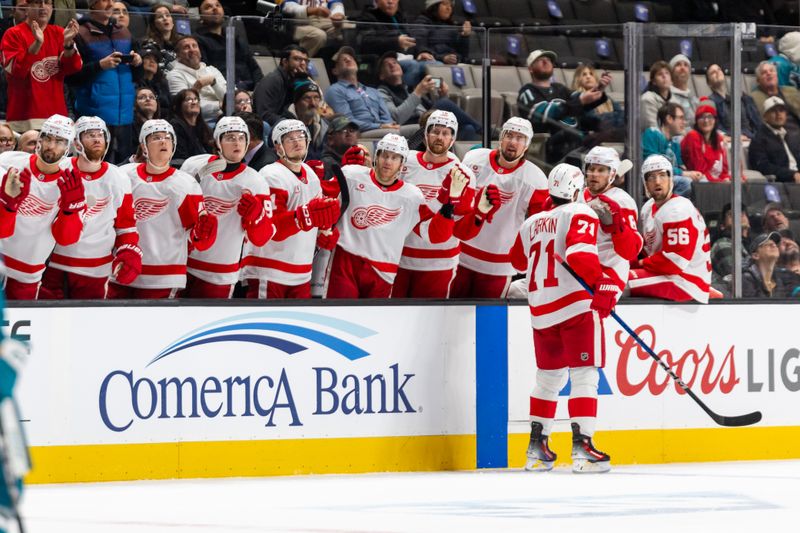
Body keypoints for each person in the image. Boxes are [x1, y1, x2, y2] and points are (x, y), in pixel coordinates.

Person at [509, 163, 616, 474]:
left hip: (541, 311)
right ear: (574, 189)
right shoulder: (580, 212)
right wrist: (602, 283)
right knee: (584, 376)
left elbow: (517, 260)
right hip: (574, 308)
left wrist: (546, 225)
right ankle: (583, 448)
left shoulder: (532, 222)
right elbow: (580, 257)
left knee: (548, 379)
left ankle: (536, 450)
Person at [323, 133, 462, 298]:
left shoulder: (412, 197)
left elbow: (432, 234)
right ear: (377, 156)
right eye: (384, 155)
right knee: (340, 316)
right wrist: (323, 230)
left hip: (383, 272)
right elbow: (322, 200)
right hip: (345, 263)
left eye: (395, 158)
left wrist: (448, 208)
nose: (388, 161)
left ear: (402, 164)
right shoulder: (351, 175)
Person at [109, 119, 217, 299]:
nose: (163, 141)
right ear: (144, 146)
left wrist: (204, 233)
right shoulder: (125, 176)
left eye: (168, 138)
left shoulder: (185, 184)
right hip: (121, 270)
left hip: (164, 276)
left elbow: (196, 237)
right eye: (156, 137)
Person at [39, 116, 142, 299]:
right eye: (89, 135)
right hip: (54, 266)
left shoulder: (118, 177)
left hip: (96, 272)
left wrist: (128, 252)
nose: (96, 139)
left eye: (100, 135)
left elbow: (126, 227)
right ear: (77, 142)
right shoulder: (59, 168)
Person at [450, 117, 548, 298]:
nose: (513, 142)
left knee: (488, 321)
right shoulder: (474, 159)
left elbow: (537, 228)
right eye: (509, 135)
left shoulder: (536, 179)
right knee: (450, 315)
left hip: (499, 266)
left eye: (520, 138)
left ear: (526, 146)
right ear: (501, 138)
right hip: (460, 255)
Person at [241, 119, 340, 299]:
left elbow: (316, 217)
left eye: (301, 136)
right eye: (289, 138)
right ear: (278, 147)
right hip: (268, 270)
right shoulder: (271, 175)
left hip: (301, 273)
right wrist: (306, 216)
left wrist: (325, 233)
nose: (297, 141)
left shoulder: (310, 175)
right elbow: (272, 229)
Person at [180, 116, 275, 298]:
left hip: (220, 273)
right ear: (218, 142)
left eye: (241, 137)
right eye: (230, 137)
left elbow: (263, 238)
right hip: (183, 264)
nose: (237, 142)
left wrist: (257, 216)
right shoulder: (194, 166)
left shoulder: (255, 181)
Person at [0, 115, 85, 300]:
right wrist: (7, 203)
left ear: (69, 147)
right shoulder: (7, 163)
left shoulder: (71, 183)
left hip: (28, 273)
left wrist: (70, 211)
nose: (51, 146)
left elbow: (66, 239)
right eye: (47, 138)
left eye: (59, 141)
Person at [393, 110, 476, 298]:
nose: (440, 137)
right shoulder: (406, 162)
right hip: (399, 257)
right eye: (435, 131)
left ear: (453, 138)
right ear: (425, 134)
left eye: (446, 133)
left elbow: (460, 225)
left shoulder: (463, 174)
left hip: (439, 264)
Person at [628, 155, 712, 303]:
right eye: (651, 177)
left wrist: (639, 264)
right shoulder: (648, 208)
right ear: (645, 183)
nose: (657, 181)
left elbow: (674, 262)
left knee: (616, 282)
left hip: (686, 281)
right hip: (666, 275)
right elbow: (646, 249)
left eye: (662, 175)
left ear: (671, 179)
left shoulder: (678, 210)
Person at [69, 0, 141, 164]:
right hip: (94, 114)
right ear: (92, 5)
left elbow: (139, 76)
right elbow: (71, 76)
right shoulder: (79, 33)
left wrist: (137, 62)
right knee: (93, 164)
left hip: (125, 115)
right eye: (104, 0)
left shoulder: (125, 32)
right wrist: (100, 65)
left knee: (124, 167)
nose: (110, 4)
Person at [0, 0, 82, 132]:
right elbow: (16, 71)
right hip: (23, 120)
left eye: (48, 3)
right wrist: (37, 44)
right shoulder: (13, 34)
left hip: (57, 119)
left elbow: (74, 67)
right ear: (27, 7)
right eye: (37, 2)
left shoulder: (59, 33)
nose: (43, 7)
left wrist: (68, 44)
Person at [518, 50, 612, 163]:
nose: (545, 61)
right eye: (539, 60)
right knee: (572, 135)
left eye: (549, 60)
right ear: (530, 69)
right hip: (550, 143)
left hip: (575, 138)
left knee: (610, 126)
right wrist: (579, 101)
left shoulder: (560, 88)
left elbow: (581, 99)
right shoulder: (527, 91)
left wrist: (598, 88)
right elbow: (544, 114)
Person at [376, 51, 481, 140]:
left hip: (430, 124)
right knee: (443, 103)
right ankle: (484, 130)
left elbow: (430, 110)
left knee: (468, 129)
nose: (392, 64)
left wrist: (442, 95)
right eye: (387, 64)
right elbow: (396, 118)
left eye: (395, 62)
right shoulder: (381, 92)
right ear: (381, 75)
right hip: (413, 128)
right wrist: (418, 93)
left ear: (402, 69)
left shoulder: (408, 89)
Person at [581, 146, 643, 298]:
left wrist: (617, 228)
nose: (594, 174)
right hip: (579, 269)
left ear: (612, 174)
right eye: (591, 169)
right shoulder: (578, 195)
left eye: (601, 170)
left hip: (608, 275)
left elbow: (631, 251)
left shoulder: (621, 201)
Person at [354, 0, 432, 87]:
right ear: (377, 1)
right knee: (412, 65)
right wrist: (396, 42)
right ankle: (405, 97)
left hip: (408, 58)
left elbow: (412, 39)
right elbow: (366, 42)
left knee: (434, 64)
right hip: (385, 60)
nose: (390, 1)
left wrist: (421, 52)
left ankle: (437, 98)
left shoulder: (400, 17)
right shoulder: (367, 17)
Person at [325, 46, 399, 135]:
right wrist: (380, 126)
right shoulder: (335, 90)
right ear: (335, 71)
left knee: (417, 130)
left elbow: (387, 117)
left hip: (385, 130)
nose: (348, 60)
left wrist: (388, 125)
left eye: (351, 58)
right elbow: (347, 122)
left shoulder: (373, 91)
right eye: (343, 60)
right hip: (360, 133)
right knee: (413, 132)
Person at [194, 0, 263, 91]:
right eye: (208, 7)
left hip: (250, 89)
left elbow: (254, 67)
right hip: (224, 91)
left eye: (218, 5)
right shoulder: (198, 40)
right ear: (201, 17)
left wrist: (260, 88)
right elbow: (205, 72)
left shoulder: (234, 37)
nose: (215, 8)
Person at [166, 35, 227, 124]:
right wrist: (219, 106)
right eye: (186, 47)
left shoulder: (212, 70)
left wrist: (214, 83)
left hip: (225, 117)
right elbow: (184, 107)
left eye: (194, 46)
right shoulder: (174, 75)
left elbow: (229, 98)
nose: (192, 50)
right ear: (178, 55)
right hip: (202, 122)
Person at [641, 102, 698, 196]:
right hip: (653, 178)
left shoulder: (675, 143)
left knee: (700, 182)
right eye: (680, 118)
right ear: (669, 119)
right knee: (685, 182)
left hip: (669, 177)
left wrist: (691, 173)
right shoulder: (652, 134)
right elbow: (654, 166)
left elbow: (680, 167)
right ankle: (666, 207)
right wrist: (684, 173)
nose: (684, 122)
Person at [252, 45, 310, 128]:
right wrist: (291, 124)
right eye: (297, 59)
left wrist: (304, 81)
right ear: (285, 61)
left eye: (306, 61)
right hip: (268, 129)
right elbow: (264, 115)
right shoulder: (272, 80)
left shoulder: (297, 80)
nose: (303, 63)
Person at [748, 96, 800, 183]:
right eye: (773, 111)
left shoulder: (791, 135)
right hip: (783, 184)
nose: (778, 114)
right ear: (765, 116)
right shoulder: (759, 139)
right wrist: (791, 175)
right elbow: (763, 166)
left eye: (781, 110)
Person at [705, 63, 762, 140]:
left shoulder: (741, 97)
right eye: (713, 72)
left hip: (751, 138)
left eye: (719, 69)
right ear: (709, 83)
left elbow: (755, 121)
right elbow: (715, 128)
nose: (717, 72)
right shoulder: (710, 102)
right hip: (732, 141)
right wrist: (735, 138)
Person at [681, 101, 731, 182]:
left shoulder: (718, 138)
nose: (706, 120)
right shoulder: (693, 136)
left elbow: (724, 169)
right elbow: (699, 169)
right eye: (702, 117)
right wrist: (720, 181)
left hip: (713, 179)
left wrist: (726, 178)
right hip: (699, 179)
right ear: (697, 121)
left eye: (710, 116)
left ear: (715, 120)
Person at [410, 0, 470, 65]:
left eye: (451, 5)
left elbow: (462, 56)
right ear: (434, 6)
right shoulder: (422, 22)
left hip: (451, 65)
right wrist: (442, 58)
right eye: (445, 4)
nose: (448, 8)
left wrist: (465, 36)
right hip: (431, 64)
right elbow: (422, 49)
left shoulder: (451, 27)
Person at [750, 61, 800, 136]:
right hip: (777, 137)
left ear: (776, 75)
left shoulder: (791, 91)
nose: (769, 73)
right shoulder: (753, 98)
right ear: (758, 81)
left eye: (771, 71)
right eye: (764, 72)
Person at [281, 0, 345, 57]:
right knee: (319, 35)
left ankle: (336, 64)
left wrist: (337, 14)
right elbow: (287, 8)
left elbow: (336, 4)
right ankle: (300, 61)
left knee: (347, 25)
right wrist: (313, 10)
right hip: (299, 21)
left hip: (323, 19)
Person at [283, 77, 327, 160]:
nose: (313, 103)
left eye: (316, 97)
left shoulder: (323, 125)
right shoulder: (285, 127)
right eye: (307, 98)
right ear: (296, 102)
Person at [710, 202, 750, 290]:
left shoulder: (750, 246)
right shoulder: (722, 244)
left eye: (742, 213)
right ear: (722, 226)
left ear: (749, 223)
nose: (739, 215)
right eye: (731, 214)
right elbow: (739, 279)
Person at [170, 88, 215, 162]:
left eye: (196, 99)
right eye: (189, 100)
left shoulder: (206, 129)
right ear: (178, 106)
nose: (194, 102)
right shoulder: (175, 126)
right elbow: (180, 157)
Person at [742, 232, 792, 297]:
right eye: (767, 244)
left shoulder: (782, 279)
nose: (774, 245)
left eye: (775, 244)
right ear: (755, 255)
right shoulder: (746, 279)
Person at [140, 3, 184, 69]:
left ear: (172, 22)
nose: (165, 18)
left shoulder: (181, 41)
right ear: (153, 24)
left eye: (168, 15)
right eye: (160, 17)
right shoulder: (149, 44)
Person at [319, 114, 360, 179]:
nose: (349, 133)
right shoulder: (327, 164)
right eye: (344, 130)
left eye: (352, 130)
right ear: (330, 139)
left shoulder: (361, 160)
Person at [640, 60, 676, 130]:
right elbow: (652, 129)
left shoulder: (675, 100)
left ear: (671, 80)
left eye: (667, 73)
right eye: (660, 74)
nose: (664, 76)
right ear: (654, 82)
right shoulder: (647, 99)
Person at [137, 45, 171, 117]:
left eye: (155, 60)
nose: (152, 61)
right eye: (147, 58)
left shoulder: (162, 84)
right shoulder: (133, 83)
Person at [669, 54, 698, 128]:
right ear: (671, 72)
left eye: (686, 65)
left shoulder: (694, 99)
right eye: (678, 65)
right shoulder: (668, 97)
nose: (682, 68)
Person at [132, 87, 161, 155]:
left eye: (151, 97)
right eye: (142, 97)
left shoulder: (161, 125)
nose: (148, 99)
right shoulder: (129, 126)